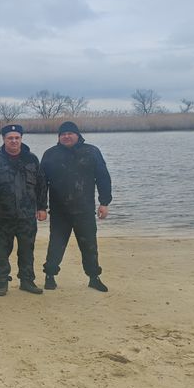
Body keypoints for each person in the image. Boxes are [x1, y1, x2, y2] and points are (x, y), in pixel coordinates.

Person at [41, 121, 112, 292]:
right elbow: (41, 183)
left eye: (70, 133)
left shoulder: (91, 152)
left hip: (85, 210)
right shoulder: (50, 154)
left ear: (77, 135)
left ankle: (94, 277)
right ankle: (49, 276)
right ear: (59, 137)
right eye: (63, 134)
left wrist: (104, 202)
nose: (66, 136)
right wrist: (41, 206)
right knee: (56, 245)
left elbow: (103, 177)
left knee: (89, 246)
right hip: (59, 211)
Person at [0, 125, 47, 296]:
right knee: (0, 250)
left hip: (27, 215)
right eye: (10, 138)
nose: (13, 141)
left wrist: (42, 208)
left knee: (27, 249)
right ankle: (2, 282)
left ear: (21, 139)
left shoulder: (32, 159)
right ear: (3, 139)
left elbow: (41, 185)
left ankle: (27, 281)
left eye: (17, 138)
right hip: (1, 215)